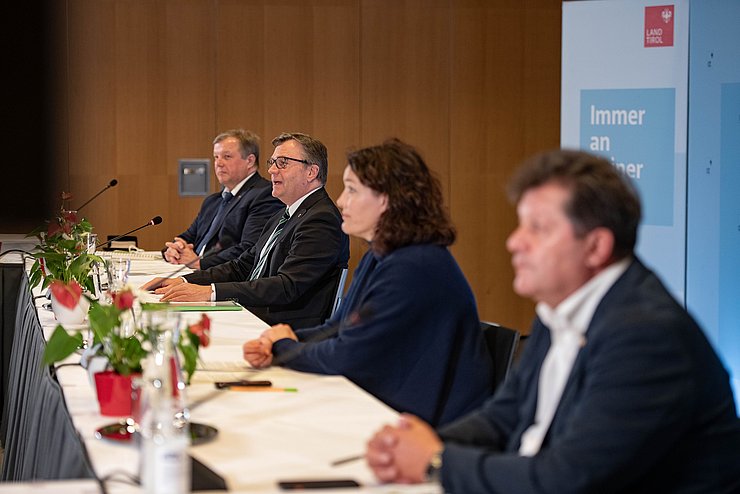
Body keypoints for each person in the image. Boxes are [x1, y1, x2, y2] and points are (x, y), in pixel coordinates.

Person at [365, 149, 740, 493]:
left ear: (595, 247)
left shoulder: (647, 336)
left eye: (537, 229)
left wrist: (437, 462)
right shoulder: (561, 307)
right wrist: (418, 444)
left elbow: (568, 480)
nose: (514, 242)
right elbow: (507, 414)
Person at [242, 139, 493, 427]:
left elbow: (347, 355)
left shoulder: (414, 266)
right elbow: (340, 328)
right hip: (389, 398)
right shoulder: (384, 253)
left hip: (421, 424)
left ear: (386, 199)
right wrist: (293, 339)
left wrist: (283, 347)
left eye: (352, 190)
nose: (340, 201)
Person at [143, 132, 349, 329]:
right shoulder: (284, 214)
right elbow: (242, 266)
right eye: (272, 162)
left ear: (311, 172)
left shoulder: (321, 219)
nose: (272, 170)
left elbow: (286, 286)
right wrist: (183, 280)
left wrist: (210, 292)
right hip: (255, 313)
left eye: (283, 163)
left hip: (281, 327)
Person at [162, 129, 283, 270]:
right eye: (216, 157)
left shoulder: (265, 195)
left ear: (250, 161)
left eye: (227, 157)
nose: (218, 163)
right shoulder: (213, 201)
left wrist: (200, 263)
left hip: (224, 277)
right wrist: (174, 249)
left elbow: (250, 248)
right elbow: (188, 236)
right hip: (192, 270)